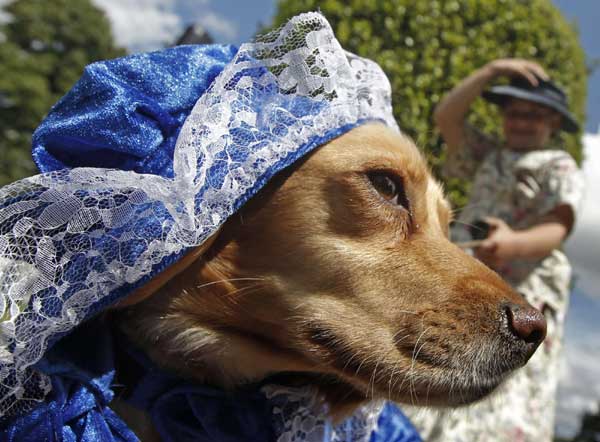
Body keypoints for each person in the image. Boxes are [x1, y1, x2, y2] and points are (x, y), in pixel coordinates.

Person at [405, 59, 585, 441]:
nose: (521, 121)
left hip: (528, 284)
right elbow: (447, 117)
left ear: (554, 122)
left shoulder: (558, 164)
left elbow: (559, 224)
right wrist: (491, 71)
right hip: (473, 269)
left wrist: (513, 244)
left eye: (534, 115)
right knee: (449, 358)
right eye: (513, 112)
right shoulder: (487, 155)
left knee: (506, 381)